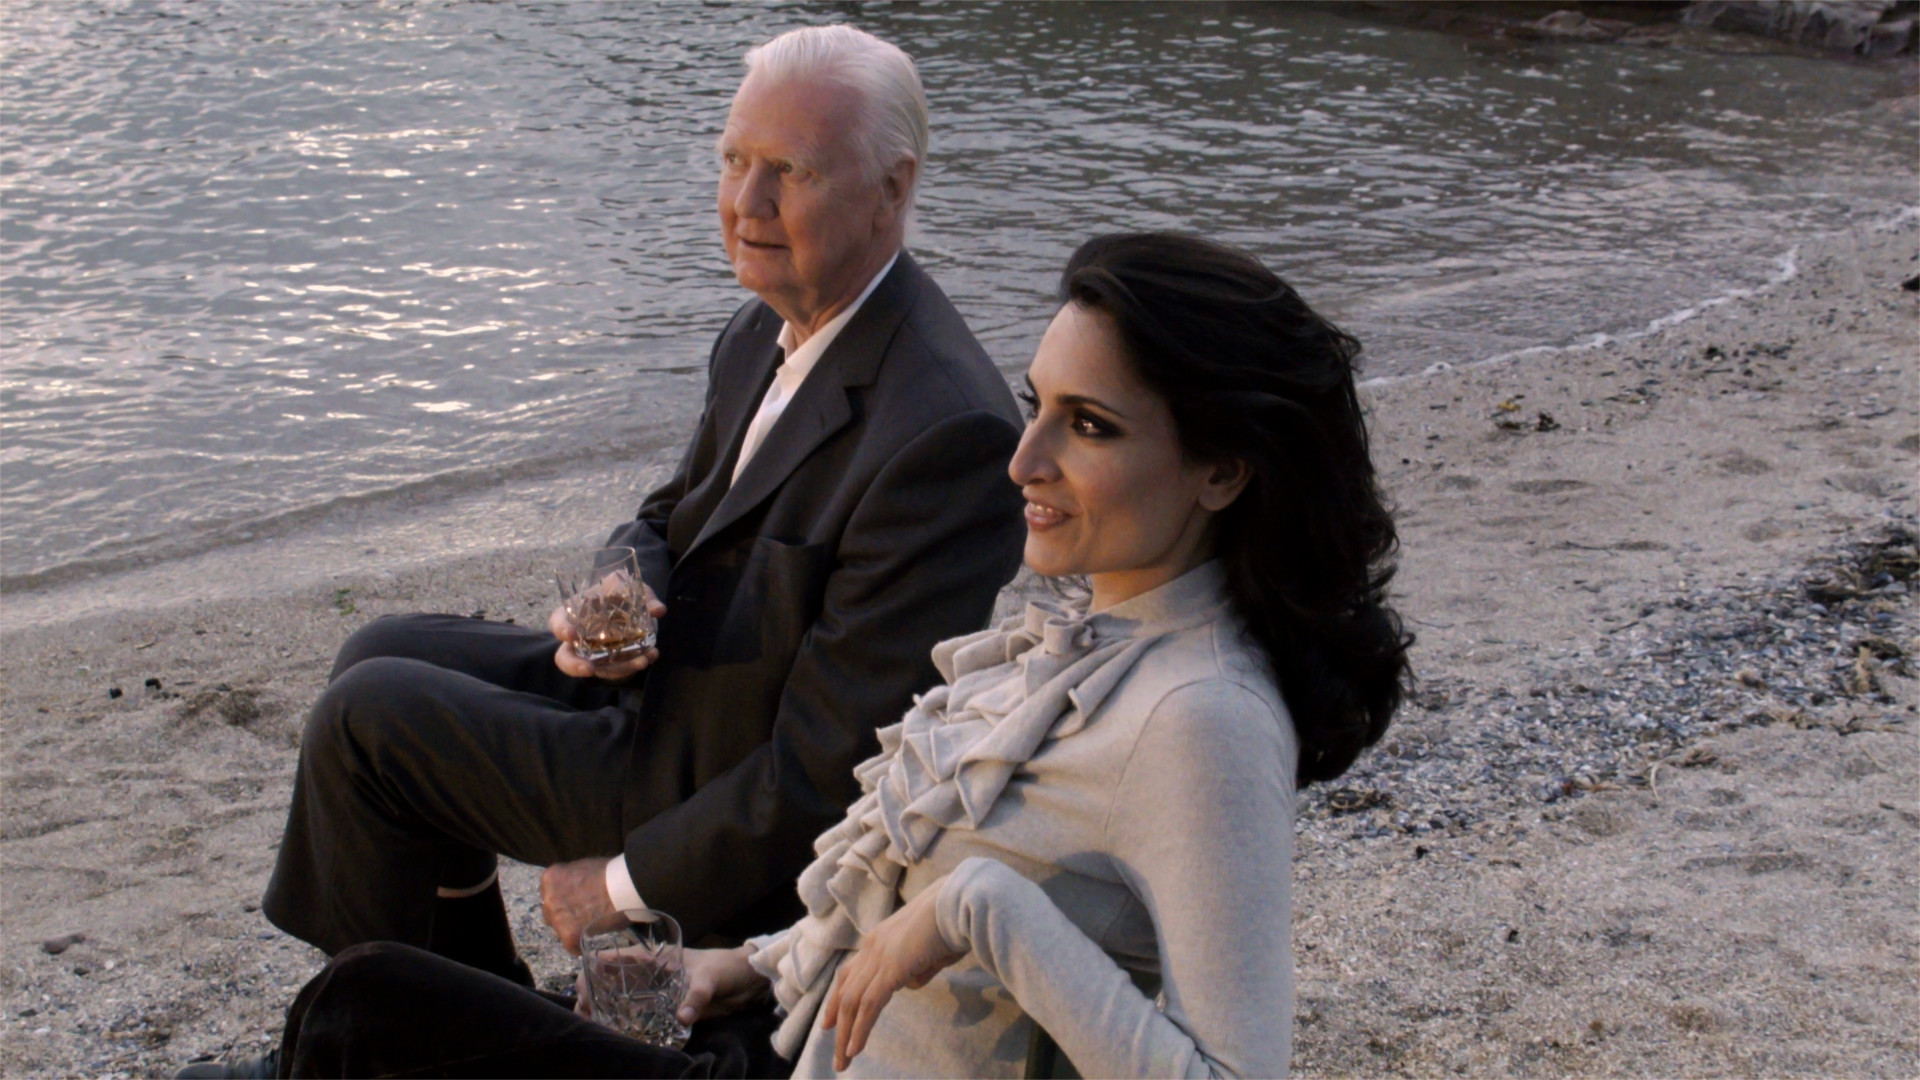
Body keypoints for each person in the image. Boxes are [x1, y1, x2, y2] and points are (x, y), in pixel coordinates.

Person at [191, 232, 1412, 1079]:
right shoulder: (1089, 639)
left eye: (1086, 428)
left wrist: (982, 914)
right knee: (368, 1017)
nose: (1022, 458)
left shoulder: (1199, 715)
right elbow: (891, 893)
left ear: (1223, 467)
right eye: (1038, 403)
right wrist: (741, 963)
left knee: (366, 1012)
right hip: (774, 1035)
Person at [256, 21, 1026, 998]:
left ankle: (409, 1030)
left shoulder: (945, 436)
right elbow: (671, 512)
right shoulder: (769, 323)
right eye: (734, 161)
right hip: (656, 687)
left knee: (370, 725)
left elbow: (827, 774)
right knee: (373, 650)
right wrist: (619, 593)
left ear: (893, 190)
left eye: (788, 170)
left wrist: (622, 883)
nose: (746, 204)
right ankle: (471, 1006)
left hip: (708, 781)